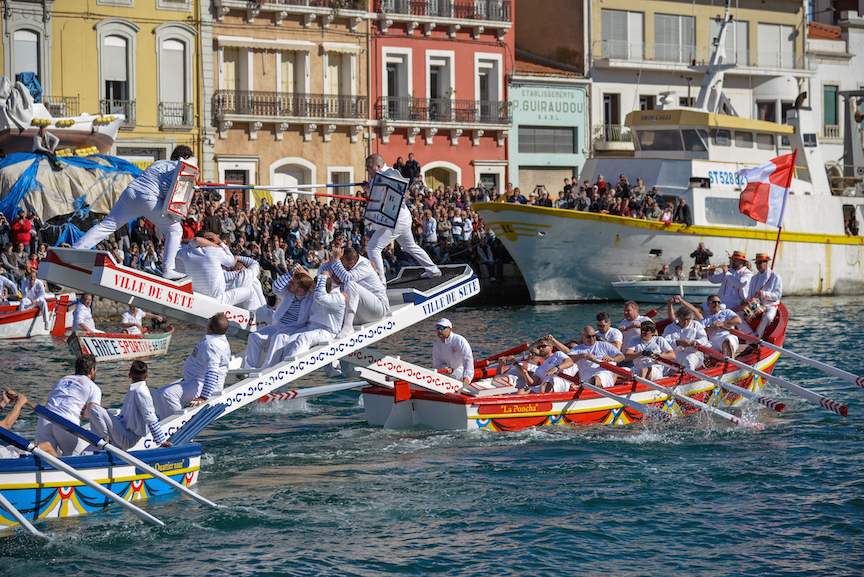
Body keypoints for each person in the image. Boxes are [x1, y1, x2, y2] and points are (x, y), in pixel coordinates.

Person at [72, 145, 195, 280]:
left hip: (130, 192)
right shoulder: (180, 170)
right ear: (187, 158)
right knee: (175, 230)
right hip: (148, 198)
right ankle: (168, 269)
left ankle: (76, 249)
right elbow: (170, 199)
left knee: (107, 225)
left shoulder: (159, 162)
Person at [363, 154, 441, 283]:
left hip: (395, 220)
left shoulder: (390, 174)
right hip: (399, 219)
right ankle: (433, 270)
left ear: (377, 166)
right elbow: (380, 191)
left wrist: (372, 190)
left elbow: (396, 193)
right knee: (410, 247)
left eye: (369, 167)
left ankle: (380, 283)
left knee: (373, 247)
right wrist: (369, 188)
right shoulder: (376, 177)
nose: (367, 170)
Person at [256, 272, 347, 368]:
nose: (310, 289)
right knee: (289, 341)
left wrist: (323, 276)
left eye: (313, 287)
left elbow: (320, 297)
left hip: (327, 331)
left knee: (304, 338)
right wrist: (301, 272)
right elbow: (308, 286)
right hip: (310, 327)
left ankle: (288, 368)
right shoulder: (315, 293)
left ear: (320, 287)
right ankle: (277, 370)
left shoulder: (337, 298)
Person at [153, 313, 231, 419]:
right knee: (159, 394)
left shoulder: (212, 345)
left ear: (209, 326)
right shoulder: (216, 340)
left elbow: (212, 372)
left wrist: (204, 397)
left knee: (169, 394)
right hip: (195, 381)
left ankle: (179, 426)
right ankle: (165, 426)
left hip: (204, 386)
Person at [88, 361, 171, 450]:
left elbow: (150, 416)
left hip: (129, 437)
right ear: (147, 376)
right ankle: (104, 441)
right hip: (125, 432)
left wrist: (162, 441)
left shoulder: (140, 391)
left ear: (129, 375)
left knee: (95, 409)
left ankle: (107, 443)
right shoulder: (134, 389)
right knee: (97, 411)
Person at [244, 271, 314, 369]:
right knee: (254, 336)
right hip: (277, 325)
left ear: (301, 289)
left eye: (292, 283)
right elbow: (276, 287)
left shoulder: (310, 298)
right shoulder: (288, 292)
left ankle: (267, 369)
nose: (289, 283)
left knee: (278, 337)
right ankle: (249, 369)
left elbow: (318, 288)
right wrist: (290, 274)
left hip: (293, 328)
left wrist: (307, 275)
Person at [35, 354, 101, 456]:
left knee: (44, 456)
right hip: (65, 423)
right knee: (76, 461)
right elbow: (91, 412)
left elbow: (49, 403)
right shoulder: (94, 387)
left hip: (45, 418)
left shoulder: (62, 379)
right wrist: (82, 414)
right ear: (92, 370)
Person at [326, 245, 389, 338]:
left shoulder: (364, 265)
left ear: (351, 263)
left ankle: (348, 326)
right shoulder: (351, 265)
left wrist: (336, 261)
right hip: (361, 312)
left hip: (379, 309)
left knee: (350, 285)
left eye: (341, 261)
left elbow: (347, 278)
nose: (339, 263)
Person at [662, 305, 708, 370]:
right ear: (678, 318)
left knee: (688, 362)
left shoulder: (696, 325)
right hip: (675, 355)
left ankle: (689, 378)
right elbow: (664, 343)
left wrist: (698, 342)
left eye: (688, 319)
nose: (685, 322)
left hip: (693, 354)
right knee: (663, 367)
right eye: (683, 319)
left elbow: (704, 338)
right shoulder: (669, 328)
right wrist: (677, 343)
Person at [748, 253, 783, 338]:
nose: (758, 265)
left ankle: (757, 337)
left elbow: (778, 295)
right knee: (740, 315)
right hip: (756, 305)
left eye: (760, 263)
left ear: (766, 263)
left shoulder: (775, 276)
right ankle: (749, 336)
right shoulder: (754, 278)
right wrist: (746, 302)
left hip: (770, 306)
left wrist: (764, 294)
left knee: (768, 318)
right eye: (757, 263)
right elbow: (750, 294)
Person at [432, 318, 474, 386]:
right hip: (445, 378)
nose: (439, 330)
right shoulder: (436, 345)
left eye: (442, 328)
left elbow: (468, 359)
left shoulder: (460, 341)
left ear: (450, 329)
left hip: (460, 376)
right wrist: (445, 367)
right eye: (437, 328)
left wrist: (467, 377)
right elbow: (437, 365)